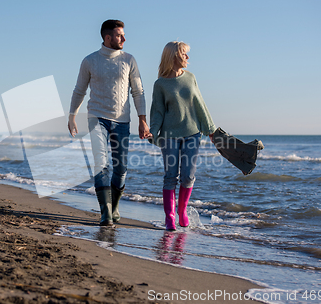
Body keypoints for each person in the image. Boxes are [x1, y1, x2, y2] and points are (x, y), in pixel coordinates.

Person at [68, 19, 151, 226]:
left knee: (121, 168)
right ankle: (105, 212)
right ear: (107, 37)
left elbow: (138, 91)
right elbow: (79, 90)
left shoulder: (129, 60)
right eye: (120, 35)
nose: (124, 38)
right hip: (97, 118)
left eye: (123, 35)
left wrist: (143, 120)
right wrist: (71, 116)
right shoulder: (90, 61)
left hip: (122, 121)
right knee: (101, 163)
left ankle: (114, 206)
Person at [148, 41, 216, 231]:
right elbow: (158, 112)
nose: (187, 57)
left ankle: (182, 211)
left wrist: (210, 129)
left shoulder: (191, 78)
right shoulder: (160, 84)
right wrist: (153, 132)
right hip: (169, 136)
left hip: (192, 134)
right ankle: (169, 216)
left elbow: (200, 104)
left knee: (188, 176)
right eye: (184, 54)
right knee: (171, 176)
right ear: (174, 56)